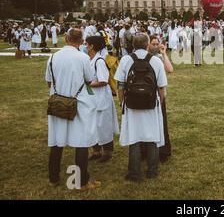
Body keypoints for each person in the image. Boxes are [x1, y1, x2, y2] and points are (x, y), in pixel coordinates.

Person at [45, 29, 101, 190]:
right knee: (81, 142)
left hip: (58, 101)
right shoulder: (82, 57)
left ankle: (53, 178)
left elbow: (48, 81)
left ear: (66, 38)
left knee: (56, 142)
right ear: (82, 41)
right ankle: (82, 182)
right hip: (78, 102)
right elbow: (90, 79)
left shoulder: (53, 56)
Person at [114, 33, 168, 182]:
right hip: (151, 103)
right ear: (147, 44)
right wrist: (160, 102)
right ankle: (152, 170)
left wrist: (121, 102)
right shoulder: (156, 61)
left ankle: (134, 173)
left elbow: (120, 85)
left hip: (131, 104)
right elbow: (162, 87)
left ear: (133, 45)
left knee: (134, 137)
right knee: (153, 136)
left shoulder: (126, 60)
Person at [85, 36, 119, 163]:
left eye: (86, 44)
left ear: (92, 46)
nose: (85, 46)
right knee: (93, 126)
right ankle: (96, 151)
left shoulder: (99, 61)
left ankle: (107, 152)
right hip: (93, 99)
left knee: (103, 126)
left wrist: (86, 84)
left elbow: (103, 81)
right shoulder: (90, 59)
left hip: (101, 99)